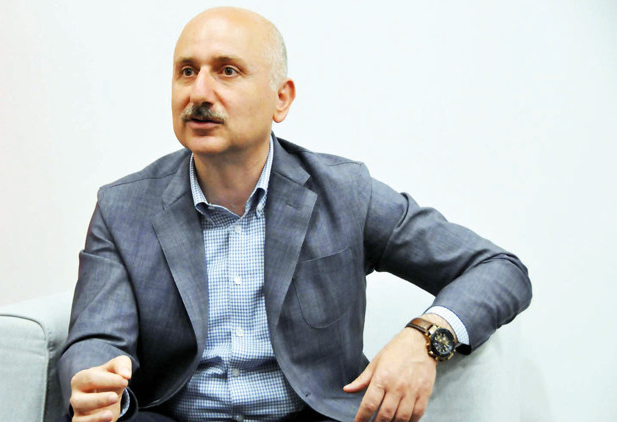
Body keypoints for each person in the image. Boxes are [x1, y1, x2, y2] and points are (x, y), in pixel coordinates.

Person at [58, 7, 531, 422]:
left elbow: (498, 269)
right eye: (186, 71)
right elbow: (96, 337)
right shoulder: (124, 207)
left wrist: (424, 338)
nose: (199, 91)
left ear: (281, 98)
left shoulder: (344, 192)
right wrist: (96, 383)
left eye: (227, 71)